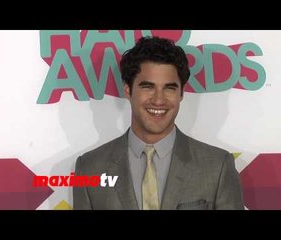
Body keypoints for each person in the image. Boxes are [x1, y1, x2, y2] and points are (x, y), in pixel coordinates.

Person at [73, 36, 244, 210]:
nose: (159, 100)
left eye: (169, 88)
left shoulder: (218, 166)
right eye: (148, 87)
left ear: (182, 93)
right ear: (127, 90)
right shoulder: (89, 167)